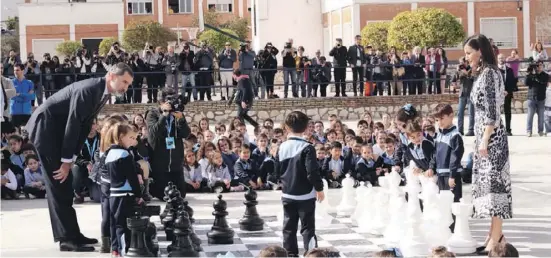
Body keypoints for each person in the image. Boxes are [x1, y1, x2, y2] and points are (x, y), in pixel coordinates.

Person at [25, 62, 134, 252]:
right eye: (124, 81)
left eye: (128, 84)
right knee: (58, 184)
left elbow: (84, 126)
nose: (126, 87)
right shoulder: (90, 89)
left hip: (57, 132)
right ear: (112, 76)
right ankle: (66, 239)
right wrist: (66, 162)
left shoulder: (101, 92)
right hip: (47, 130)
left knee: (64, 186)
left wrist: (72, 156)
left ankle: (73, 234)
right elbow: (73, 124)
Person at [463, 34, 512, 255]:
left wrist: (485, 139)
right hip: (483, 137)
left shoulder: (491, 73)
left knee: (496, 189)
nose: (467, 58)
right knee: (488, 189)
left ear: (480, 51)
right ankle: (493, 234)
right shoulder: (482, 73)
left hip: (492, 140)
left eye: (469, 53)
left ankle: (497, 236)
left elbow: (493, 109)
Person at [276, 111, 324, 257]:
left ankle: (290, 255)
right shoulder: (307, 147)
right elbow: (312, 172)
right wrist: (319, 188)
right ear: (305, 128)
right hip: (305, 196)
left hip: (287, 194)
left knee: (288, 228)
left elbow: (277, 170)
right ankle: (311, 254)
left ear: (287, 127)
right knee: (308, 229)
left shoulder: (282, 147)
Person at [105, 123, 143, 257]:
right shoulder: (125, 154)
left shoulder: (109, 153)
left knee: (114, 223)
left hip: (113, 194)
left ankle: (115, 249)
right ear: (121, 137)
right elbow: (132, 177)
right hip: (125, 195)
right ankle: (122, 252)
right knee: (123, 225)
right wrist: (139, 194)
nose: (133, 141)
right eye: (130, 138)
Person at [145, 87, 190, 200]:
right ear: (161, 102)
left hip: (175, 163)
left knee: (180, 195)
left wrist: (181, 120)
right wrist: (163, 116)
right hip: (159, 163)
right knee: (162, 195)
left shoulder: (177, 113)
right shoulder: (152, 113)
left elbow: (185, 134)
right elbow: (152, 133)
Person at [431, 104, 464, 232]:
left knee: (453, 204)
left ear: (451, 116)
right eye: (437, 120)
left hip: (451, 176)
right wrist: (431, 168)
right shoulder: (438, 134)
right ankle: (445, 230)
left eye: (441, 119)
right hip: (440, 176)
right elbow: (435, 154)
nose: (439, 123)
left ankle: (454, 231)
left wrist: (452, 175)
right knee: (443, 204)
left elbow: (455, 157)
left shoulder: (455, 136)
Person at [524, 60, 549, 137]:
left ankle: (540, 131)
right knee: (530, 116)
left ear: (543, 66)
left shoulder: (545, 75)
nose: (539, 67)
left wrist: (535, 76)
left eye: (540, 65)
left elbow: (543, 82)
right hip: (531, 98)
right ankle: (529, 131)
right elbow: (526, 83)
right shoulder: (531, 74)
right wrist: (528, 74)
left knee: (541, 116)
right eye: (537, 65)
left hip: (541, 98)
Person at [453, 57, 474, 136]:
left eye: (462, 62)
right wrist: (455, 85)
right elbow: (453, 80)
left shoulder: (472, 68)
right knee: (460, 113)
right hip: (462, 93)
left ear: (466, 62)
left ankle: (471, 130)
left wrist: (464, 71)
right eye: (460, 62)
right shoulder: (459, 69)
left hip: (471, 93)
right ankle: (460, 130)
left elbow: (472, 77)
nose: (461, 64)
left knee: (471, 112)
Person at [497, 54, 518, 136]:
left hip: (507, 94)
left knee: (508, 112)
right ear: (497, 59)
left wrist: (507, 91)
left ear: (504, 59)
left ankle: (508, 130)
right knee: (497, 113)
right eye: (499, 58)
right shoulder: (495, 70)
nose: (501, 59)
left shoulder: (510, 70)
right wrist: (501, 91)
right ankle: (497, 130)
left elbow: (512, 82)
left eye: (502, 58)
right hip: (498, 95)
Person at [10, 64, 35, 130]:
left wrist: (19, 94)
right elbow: (11, 96)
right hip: (15, 112)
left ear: (23, 71)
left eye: (17, 70)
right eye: (14, 70)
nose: (15, 72)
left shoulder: (29, 83)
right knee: (15, 134)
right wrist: (26, 96)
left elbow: (32, 97)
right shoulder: (10, 82)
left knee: (27, 134)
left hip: (27, 112)